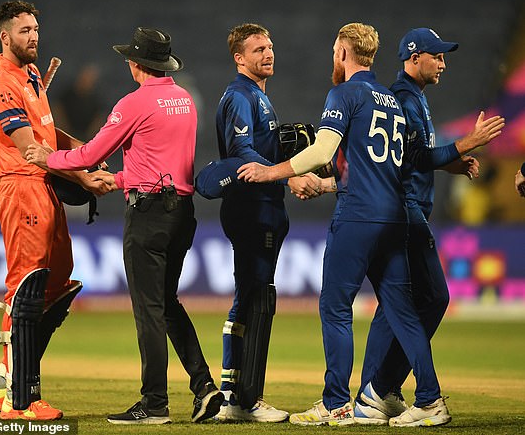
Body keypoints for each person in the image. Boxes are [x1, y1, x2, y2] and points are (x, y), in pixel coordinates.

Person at [237, 22, 450, 427]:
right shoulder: (390, 98)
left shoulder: (344, 93)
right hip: (394, 217)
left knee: (335, 308)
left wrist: (270, 173)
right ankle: (430, 399)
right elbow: (384, 164)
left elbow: (321, 149)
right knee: (402, 309)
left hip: (357, 216)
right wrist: (327, 184)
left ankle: (335, 402)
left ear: (342, 54)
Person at [25, 27, 224, 425]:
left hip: (149, 215)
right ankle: (204, 387)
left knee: (149, 309)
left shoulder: (133, 103)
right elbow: (162, 159)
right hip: (182, 212)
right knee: (167, 304)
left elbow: (93, 152)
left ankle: (154, 404)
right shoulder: (184, 100)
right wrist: (118, 179)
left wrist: (49, 158)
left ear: (136, 64)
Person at [353, 28, 505, 426]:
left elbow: (412, 155)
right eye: (436, 56)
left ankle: (377, 392)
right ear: (414, 55)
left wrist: (452, 161)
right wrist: (466, 144)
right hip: (405, 211)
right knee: (428, 299)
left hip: (409, 210)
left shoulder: (413, 96)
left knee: (397, 306)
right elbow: (412, 157)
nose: (443, 63)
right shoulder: (402, 97)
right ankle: (390, 391)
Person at [0, 0, 111, 421]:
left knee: (57, 283)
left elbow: (49, 135)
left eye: (36, 28)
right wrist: (83, 178)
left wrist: (85, 155)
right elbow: (31, 150)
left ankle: (4, 377)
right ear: (5, 37)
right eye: (24, 31)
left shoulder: (32, 74)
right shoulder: (2, 86)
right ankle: (20, 400)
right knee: (27, 288)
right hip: (22, 188)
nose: (34, 36)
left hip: (46, 186)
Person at [209, 23, 330, 424]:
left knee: (249, 298)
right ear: (239, 58)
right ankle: (245, 399)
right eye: (258, 48)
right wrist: (289, 174)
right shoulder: (241, 96)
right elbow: (243, 151)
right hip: (252, 208)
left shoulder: (259, 97)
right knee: (257, 299)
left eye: (270, 46)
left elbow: (257, 147)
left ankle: (233, 395)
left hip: (264, 207)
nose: (268, 53)